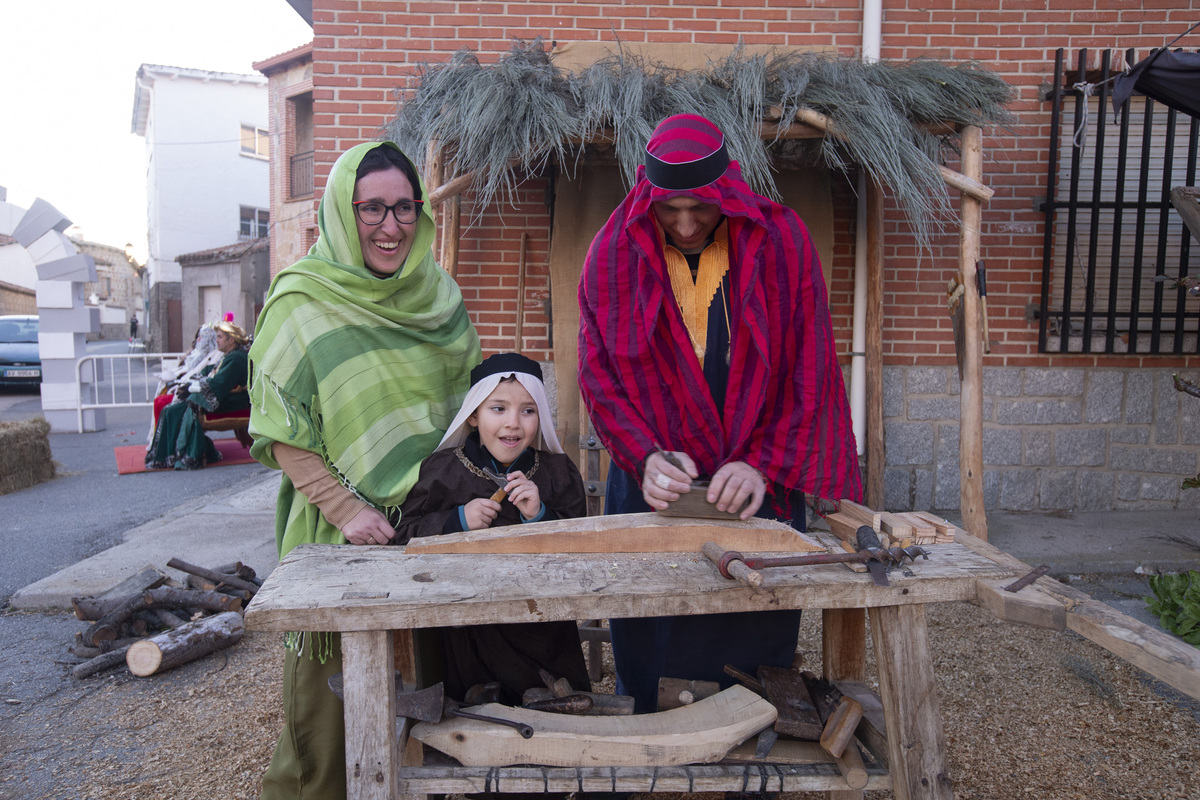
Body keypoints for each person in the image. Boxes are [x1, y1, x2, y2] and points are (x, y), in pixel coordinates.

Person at [578, 113, 862, 713]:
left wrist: (760, 463)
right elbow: (600, 378)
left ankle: (750, 733)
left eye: (700, 209)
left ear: (725, 191)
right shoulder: (611, 253)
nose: (684, 224)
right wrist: (646, 456)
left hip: (755, 485)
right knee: (651, 637)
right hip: (655, 486)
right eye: (669, 210)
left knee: (751, 640)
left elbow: (810, 369)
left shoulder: (782, 245)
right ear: (648, 196)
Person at [249, 141, 480, 800]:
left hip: (430, 530)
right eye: (371, 207)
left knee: (428, 704)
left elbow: (467, 409)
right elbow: (279, 427)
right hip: (340, 533)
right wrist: (348, 510)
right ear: (341, 212)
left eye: (404, 208)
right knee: (331, 723)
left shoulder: (439, 296)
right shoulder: (301, 299)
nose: (390, 225)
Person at [395, 352, 591, 705]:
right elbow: (402, 535)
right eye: (498, 408)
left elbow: (583, 548)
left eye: (528, 410)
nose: (513, 423)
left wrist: (540, 516)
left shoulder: (558, 473)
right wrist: (456, 521)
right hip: (466, 632)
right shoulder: (443, 471)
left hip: (542, 628)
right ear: (473, 415)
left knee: (555, 714)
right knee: (474, 712)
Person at [145, 319, 250, 470]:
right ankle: (169, 455)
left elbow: (219, 383)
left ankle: (188, 455)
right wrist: (189, 383)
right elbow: (210, 373)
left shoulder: (236, 358)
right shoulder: (229, 355)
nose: (217, 340)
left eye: (220, 337)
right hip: (225, 397)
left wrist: (192, 390)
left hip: (234, 401)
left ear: (231, 340)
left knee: (177, 410)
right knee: (171, 409)